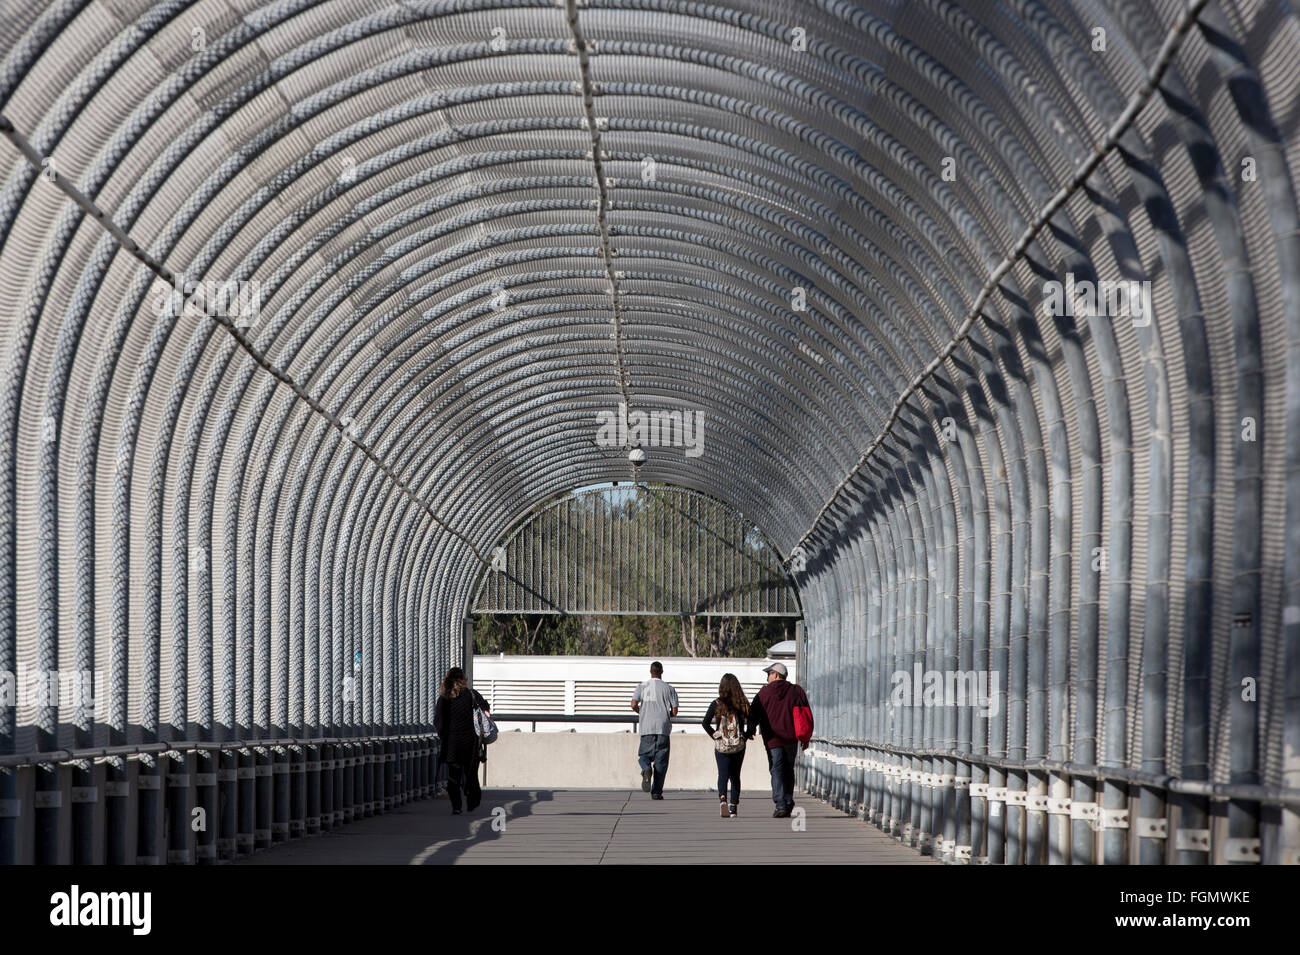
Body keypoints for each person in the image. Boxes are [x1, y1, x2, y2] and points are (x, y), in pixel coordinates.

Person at [746, 662, 813, 817]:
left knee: (776, 769)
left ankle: (780, 803)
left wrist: (749, 731)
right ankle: (788, 801)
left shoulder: (764, 693)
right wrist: (806, 737)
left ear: (776, 674)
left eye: (768, 674)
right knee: (788, 770)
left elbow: (753, 714)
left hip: (772, 740)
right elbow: (806, 715)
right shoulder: (796, 691)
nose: (767, 678)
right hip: (791, 739)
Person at [435, 666, 489, 815]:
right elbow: (484, 706)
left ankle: (456, 806)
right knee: (471, 774)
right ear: (462, 679)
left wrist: (444, 737)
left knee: (454, 776)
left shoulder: (444, 699)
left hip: (452, 743)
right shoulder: (471, 695)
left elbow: (438, 721)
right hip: (471, 742)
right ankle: (472, 802)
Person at [702, 673, 749, 818]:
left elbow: (705, 723)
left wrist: (716, 736)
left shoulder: (717, 703)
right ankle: (733, 807)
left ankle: (723, 799)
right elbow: (753, 722)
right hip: (738, 746)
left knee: (723, 774)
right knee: (735, 775)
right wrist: (745, 736)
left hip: (722, 745)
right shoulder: (742, 703)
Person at [631, 661, 678, 799]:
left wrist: (641, 711)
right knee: (661, 761)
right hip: (663, 728)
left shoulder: (642, 686)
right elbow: (674, 711)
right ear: (661, 672)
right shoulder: (669, 689)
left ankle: (646, 768)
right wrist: (665, 715)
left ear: (650, 672)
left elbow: (633, 704)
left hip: (647, 727)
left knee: (644, 755)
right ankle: (656, 792)